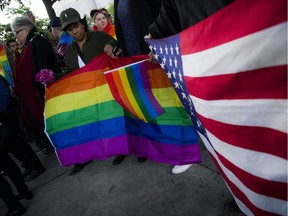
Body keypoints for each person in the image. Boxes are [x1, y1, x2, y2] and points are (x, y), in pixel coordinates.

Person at [147, 0, 235, 173]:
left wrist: (155, 34)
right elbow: (168, 16)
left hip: (237, 54)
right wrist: (155, 37)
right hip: (209, 65)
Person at [59, 7, 120, 175]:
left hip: (108, 89)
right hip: (87, 95)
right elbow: (70, 73)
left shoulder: (99, 37)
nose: (74, 31)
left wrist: (111, 44)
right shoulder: (69, 51)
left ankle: (122, 149)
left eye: (76, 26)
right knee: (99, 122)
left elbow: (117, 42)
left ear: (83, 24)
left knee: (113, 119)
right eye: (70, 29)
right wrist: (53, 78)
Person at [112, 0, 163, 165]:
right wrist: (120, 48)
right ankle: (150, 143)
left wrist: (157, 44)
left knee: (162, 99)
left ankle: (171, 142)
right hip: (132, 60)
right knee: (143, 102)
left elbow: (163, 13)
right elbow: (122, 28)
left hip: (152, 55)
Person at [10, 16, 60, 156]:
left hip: (49, 94)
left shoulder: (35, 44)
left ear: (25, 29)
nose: (15, 37)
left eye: (16, 32)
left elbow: (42, 71)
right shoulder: (34, 42)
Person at [0, 75, 46, 182]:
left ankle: (36, 167)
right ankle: (28, 165)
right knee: (12, 146)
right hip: (5, 116)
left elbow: (5, 96)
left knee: (17, 144)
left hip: (7, 116)